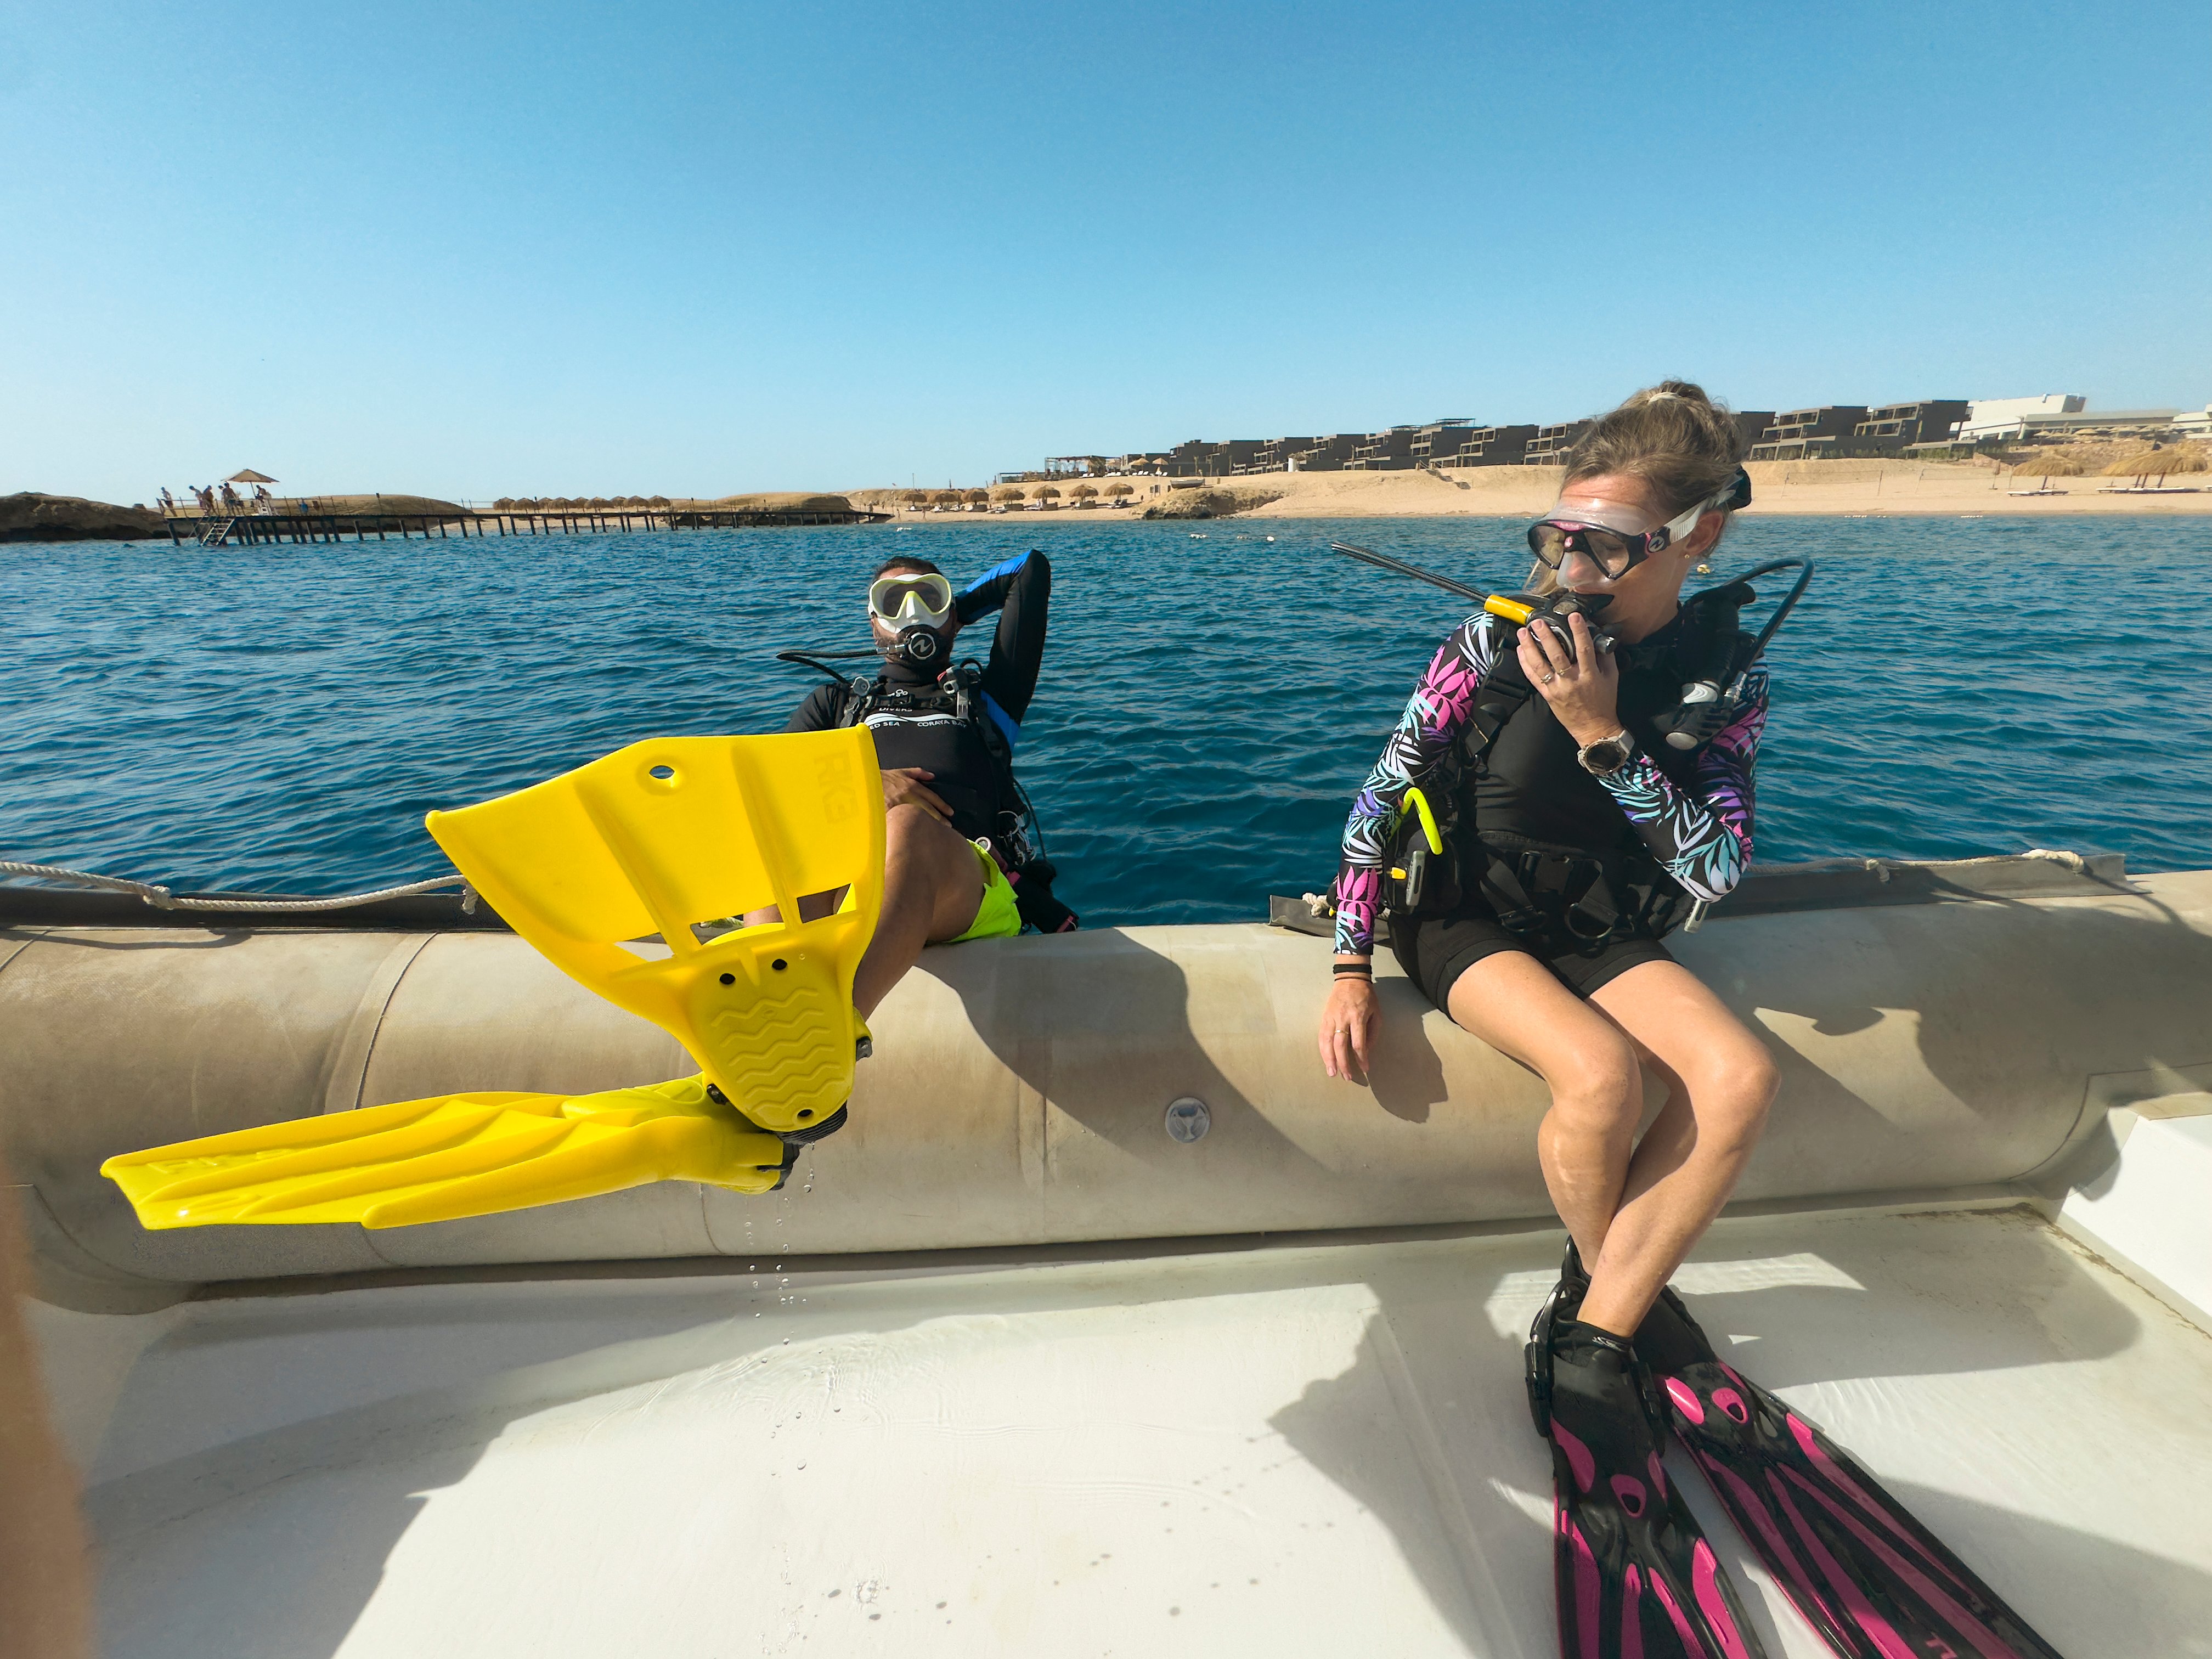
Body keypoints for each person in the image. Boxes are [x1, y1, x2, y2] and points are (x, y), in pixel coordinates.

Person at [783, 549, 1071, 1017]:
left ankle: (833, 1028)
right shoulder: (834, 704)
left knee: (908, 825)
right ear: (874, 620)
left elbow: (1028, 569)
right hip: (850, 880)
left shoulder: (988, 699)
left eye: (929, 598)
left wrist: (954, 614)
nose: (913, 612)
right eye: (895, 601)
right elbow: (769, 790)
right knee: (786, 844)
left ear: (950, 613)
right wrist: (862, 785)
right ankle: (758, 1017)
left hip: (965, 887)